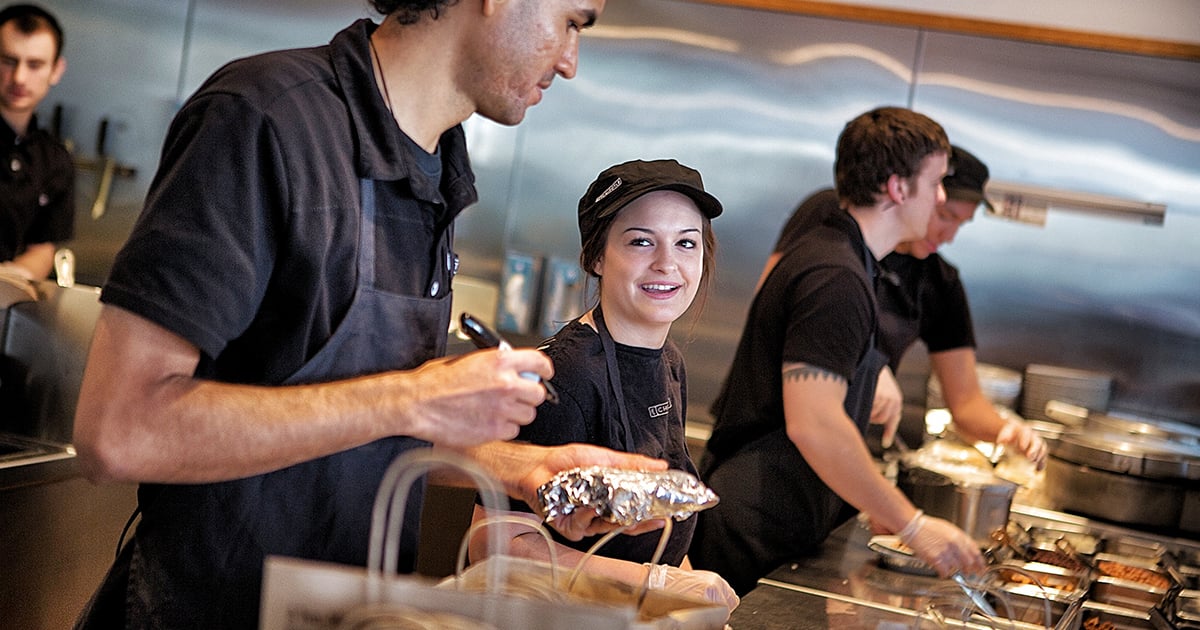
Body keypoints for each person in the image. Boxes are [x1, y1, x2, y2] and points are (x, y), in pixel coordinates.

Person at [70, 1, 673, 628]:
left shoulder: (440, 168)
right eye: (572, 22)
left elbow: (365, 435)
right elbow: (119, 429)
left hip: (340, 612)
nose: (571, 62)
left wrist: (527, 469)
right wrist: (412, 397)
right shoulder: (264, 117)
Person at [689, 107, 986, 596]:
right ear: (897, 187)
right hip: (751, 522)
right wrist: (911, 524)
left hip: (785, 512)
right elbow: (816, 424)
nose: (939, 198)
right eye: (934, 182)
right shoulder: (836, 276)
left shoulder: (850, 261)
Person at [468, 159, 740, 615]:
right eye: (640, 241)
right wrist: (653, 583)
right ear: (596, 257)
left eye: (686, 243)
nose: (667, 263)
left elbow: (662, 534)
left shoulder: (668, 362)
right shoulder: (566, 375)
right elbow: (494, 545)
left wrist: (687, 595)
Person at [759, 147, 1048, 466]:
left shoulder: (940, 282)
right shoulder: (834, 220)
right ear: (915, 196)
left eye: (961, 224)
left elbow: (966, 404)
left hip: (849, 455)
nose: (949, 236)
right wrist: (866, 365)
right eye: (945, 216)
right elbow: (769, 309)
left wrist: (1008, 430)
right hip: (766, 441)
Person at [0, 3, 73, 281]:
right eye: (8, 60)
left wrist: (9, 278)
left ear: (56, 70)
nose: (19, 77)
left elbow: (42, 251)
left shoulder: (55, 160)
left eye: (34, 64)